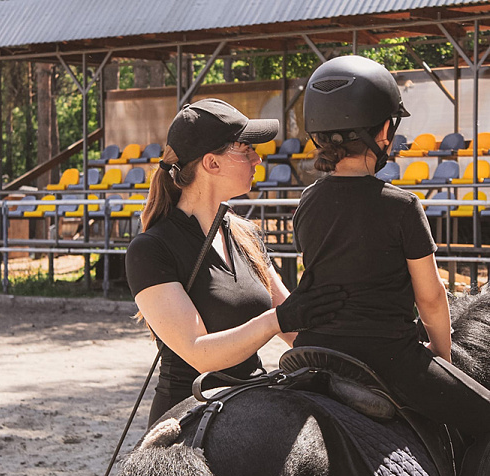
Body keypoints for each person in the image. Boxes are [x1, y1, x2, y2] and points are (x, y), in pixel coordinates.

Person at [293, 55, 490, 476]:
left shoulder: (307, 201)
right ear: (383, 132)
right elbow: (433, 299)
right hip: (388, 358)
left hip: (310, 350)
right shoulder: (402, 206)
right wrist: (443, 357)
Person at [125, 98, 346, 427]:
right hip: (188, 417)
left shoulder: (246, 235)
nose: (258, 158)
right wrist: (275, 321)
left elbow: (297, 329)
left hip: (251, 402)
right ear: (211, 163)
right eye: (246, 150)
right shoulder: (151, 249)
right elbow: (201, 354)